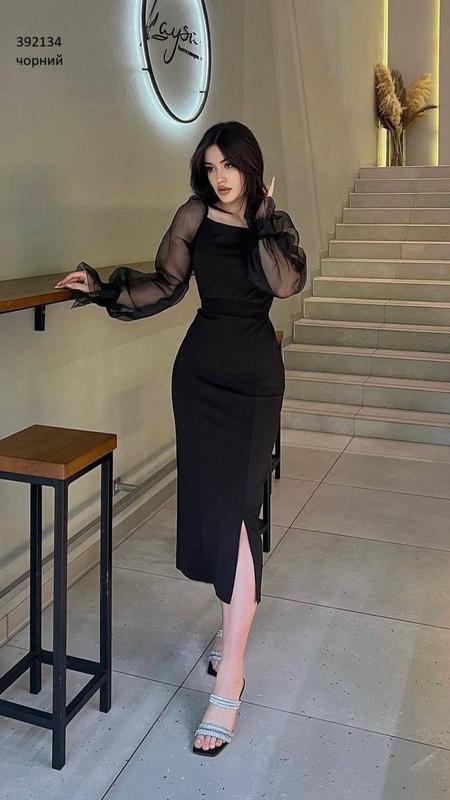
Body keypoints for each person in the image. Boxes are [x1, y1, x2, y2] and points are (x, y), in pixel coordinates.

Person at [55, 120, 307, 757]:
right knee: (217, 510)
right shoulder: (194, 215)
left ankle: (231, 679)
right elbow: (166, 286)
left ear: (251, 166)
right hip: (199, 378)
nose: (220, 177)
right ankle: (231, 631)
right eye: (211, 166)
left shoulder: (273, 224)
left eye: (230, 166)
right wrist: (103, 289)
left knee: (237, 510)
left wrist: (261, 216)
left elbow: (283, 283)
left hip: (253, 381)